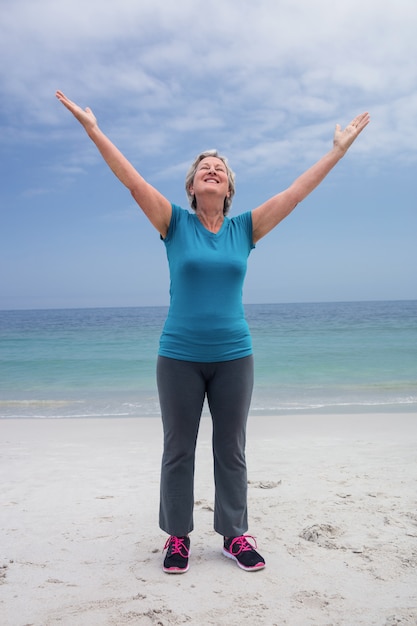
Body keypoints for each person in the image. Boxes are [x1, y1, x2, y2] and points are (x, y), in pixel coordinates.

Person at [55, 90, 370, 573]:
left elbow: (296, 193)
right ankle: (177, 537)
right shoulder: (174, 223)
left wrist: (337, 151)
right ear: (192, 184)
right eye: (204, 165)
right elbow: (131, 181)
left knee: (231, 447)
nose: (212, 169)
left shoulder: (246, 228)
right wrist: (93, 129)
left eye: (220, 168)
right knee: (177, 448)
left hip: (233, 356)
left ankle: (235, 535)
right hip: (178, 355)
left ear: (228, 189)